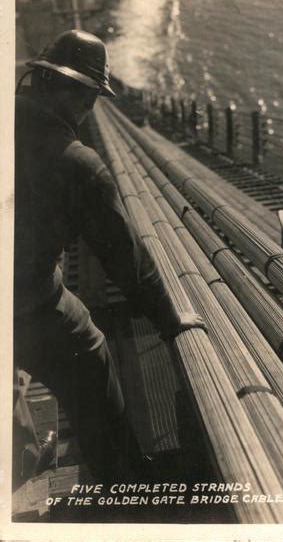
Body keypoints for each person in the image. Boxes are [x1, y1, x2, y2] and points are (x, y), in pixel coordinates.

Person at [14, 29, 205, 485]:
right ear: (84, 96)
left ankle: (21, 447)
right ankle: (121, 483)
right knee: (90, 351)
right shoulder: (78, 165)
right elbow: (127, 261)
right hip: (26, 302)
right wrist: (170, 317)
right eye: (90, 97)